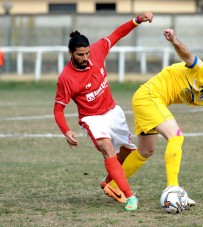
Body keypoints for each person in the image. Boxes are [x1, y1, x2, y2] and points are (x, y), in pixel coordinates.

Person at [106, 28, 203, 205]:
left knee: (145, 151)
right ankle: (173, 189)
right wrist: (174, 40)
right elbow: (187, 55)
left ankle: (112, 185)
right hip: (150, 96)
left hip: (147, 101)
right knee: (176, 137)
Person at [53, 12, 154, 211]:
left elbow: (117, 34)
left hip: (113, 112)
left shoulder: (98, 50)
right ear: (70, 53)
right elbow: (58, 109)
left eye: (87, 53)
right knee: (107, 147)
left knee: (126, 153)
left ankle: (107, 182)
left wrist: (137, 20)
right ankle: (130, 196)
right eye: (80, 55)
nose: (85, 58)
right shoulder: (66, 78)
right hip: (91, 119)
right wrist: (66, 130)